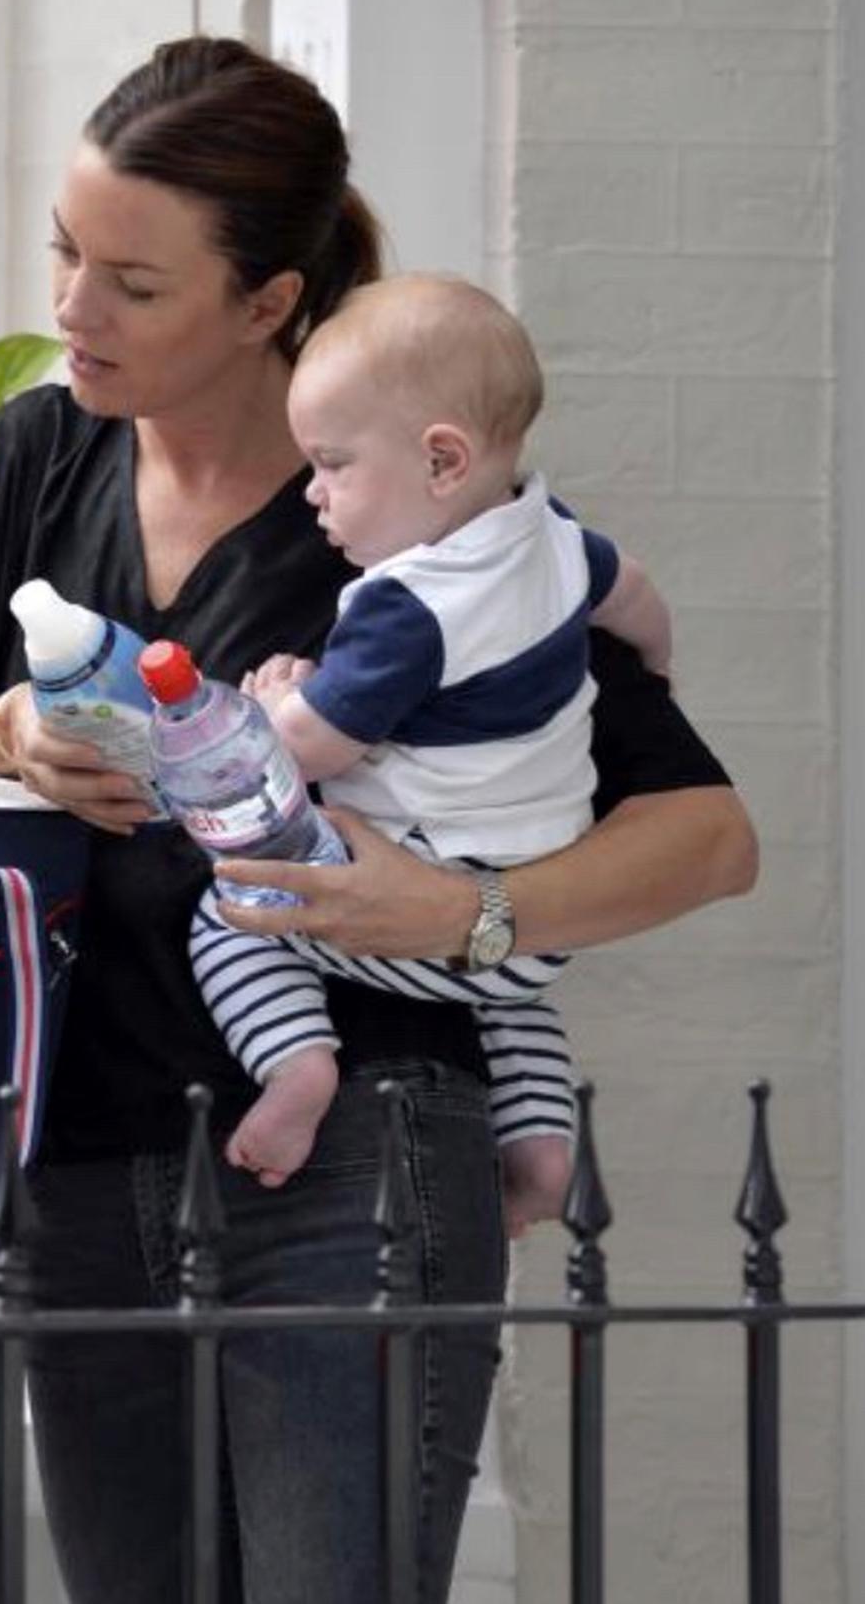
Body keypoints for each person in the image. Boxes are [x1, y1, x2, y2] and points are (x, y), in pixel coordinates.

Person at [0, 37, 756, 1604]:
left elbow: (704, 832)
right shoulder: (28, 456)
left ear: (270, 301)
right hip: (77, 1159)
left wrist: (459, 915)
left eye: (133, 283)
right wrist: (4, 738)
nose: (72, 309)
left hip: (360, 1154)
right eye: (67, 255)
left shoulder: (417, 506)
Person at [192, 273, 676, 1233]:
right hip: (541, 908)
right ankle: (539, 1150)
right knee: (509, 999)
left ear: (441, 461)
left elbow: (311, 749)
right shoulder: (558, 537)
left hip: (425, 895)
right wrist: (655, 676)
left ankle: (297, 1064)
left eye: (331, 466)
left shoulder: (404, 605)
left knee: (233, 917)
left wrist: (277, 701)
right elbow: (641, 607)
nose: (313, 495)